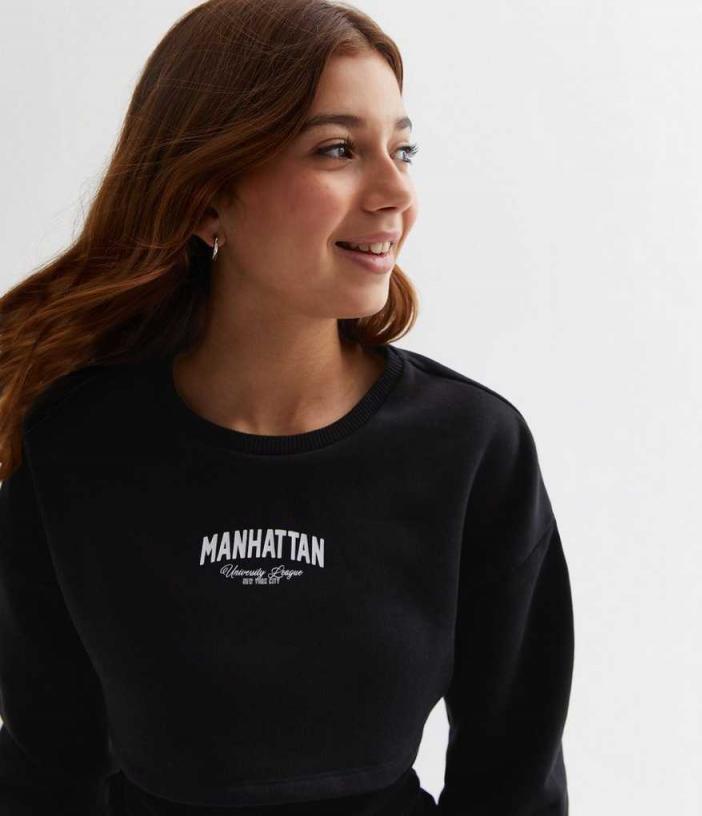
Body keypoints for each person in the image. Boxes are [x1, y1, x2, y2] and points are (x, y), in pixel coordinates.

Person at [0, 1, 574, 814]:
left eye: (403, 150)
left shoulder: (472, 447)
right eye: (338, 150)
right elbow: (44, 773)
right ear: (207, 199)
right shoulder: (75, 445)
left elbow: (513, 784)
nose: (396, 192)